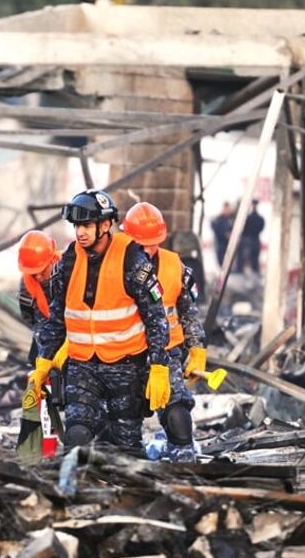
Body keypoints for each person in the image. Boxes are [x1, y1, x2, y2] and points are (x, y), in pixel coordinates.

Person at [30, 189, 170, 453]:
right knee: (77, 434)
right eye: (76, 226)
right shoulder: (68, 262)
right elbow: (56, 318)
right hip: (83, 367)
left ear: (105, 225)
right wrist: (43, 362)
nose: (80, 232)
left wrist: (159, 366)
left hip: (126, 368)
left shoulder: (133, 260)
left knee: (125, 445)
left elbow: (156, 318)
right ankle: (79, 491)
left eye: (86, 225)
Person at [123, 202, 208, 462]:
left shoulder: (175, 266)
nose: (147, 249)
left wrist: (197, 348)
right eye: (141, 243)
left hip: (168, 351)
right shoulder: (113, 265)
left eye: (153, 242)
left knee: (176, 407)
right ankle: (125, 459)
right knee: (121, 416)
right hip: (124, 354)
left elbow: (189, 311)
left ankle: (182, 453)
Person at [16, 230, 66, 453]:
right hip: (44, 344)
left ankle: (81, 447)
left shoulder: (70, 271)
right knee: (36, 392)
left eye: (40, 271)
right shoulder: (26, 285)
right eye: (31, 272)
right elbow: (30, 319)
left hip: (75, 342)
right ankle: (38, 451)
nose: (37, 276)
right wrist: (45, 354)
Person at [238, 199, 265, 274]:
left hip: (248, 240)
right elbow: (261, 228)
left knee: (246, 259)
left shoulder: (248, 218)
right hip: (254, 239)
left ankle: (243, 273)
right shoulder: (260, 218)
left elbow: (243, 228)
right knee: (253, 260)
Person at [210, 202, 233, 269]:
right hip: (220, 244)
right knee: (221, 264)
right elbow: (215, 228)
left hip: (228, 245)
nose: (228, 211)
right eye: (227, 209)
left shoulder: (230, 219)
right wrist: (224, 234)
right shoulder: (218, 219)